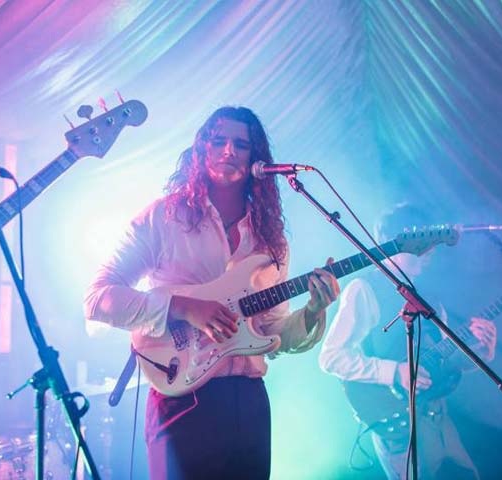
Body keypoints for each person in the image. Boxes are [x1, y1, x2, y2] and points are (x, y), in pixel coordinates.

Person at [84, 106, 340, 479]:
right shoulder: (163, 218)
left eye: (241, 144)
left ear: (256, 158)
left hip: (248, 401)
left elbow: (273, 332)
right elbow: (98, 298)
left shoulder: (272, 239)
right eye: (218, 141)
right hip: (181, 397)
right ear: (201, 149)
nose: (229, 151)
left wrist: (314, 310)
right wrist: (183, 307)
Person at [319, 203, 497, 480]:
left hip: (438, 415)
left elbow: (444, 360)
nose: (431, 250)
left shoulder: (429, 295)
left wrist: (481, 354)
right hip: (398, 423)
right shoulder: (364, 288)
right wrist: (394, 372)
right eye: (424, 240)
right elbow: (331, 357)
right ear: (398, 243)